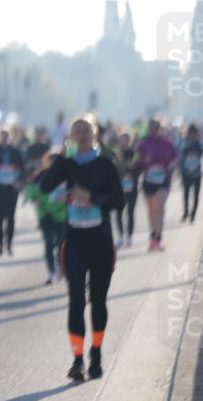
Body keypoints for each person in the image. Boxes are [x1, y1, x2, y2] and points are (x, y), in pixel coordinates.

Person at [40, 117, 123, 381]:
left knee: (98, 301)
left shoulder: (106, 165)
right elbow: (44, 186)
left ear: (95, 134)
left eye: (87, 130)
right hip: (74, 242)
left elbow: (119, 201)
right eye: (77, 131)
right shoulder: (67, 165)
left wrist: (92, 199)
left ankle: (96, 354)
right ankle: (77, 360)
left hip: (100, 241)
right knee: (76, 300)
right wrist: (62, 158)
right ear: (71, 137)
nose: (83, 135)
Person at [24, 151, 67, 284]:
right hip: (45, 215)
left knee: (61, 245)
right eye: (50, 162)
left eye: (55, 162)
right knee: (48, 244)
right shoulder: (39, 177)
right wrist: (33, 199)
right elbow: (30, 190)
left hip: (62, 215)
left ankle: (61, 268)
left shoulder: (66, 177)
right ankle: (50, 272)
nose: (53, 165)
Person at [136, 117, 177, 251]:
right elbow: (138, 162)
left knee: (159, 207)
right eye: (152, 127)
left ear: (160, 128)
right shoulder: (143, 144)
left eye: (157, 127)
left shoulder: (168, 143)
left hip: (163, 179)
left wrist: (172, 164)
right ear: (148, 129)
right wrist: (144, 161)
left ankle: (158, 238)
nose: (154, 130)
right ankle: (153, 234)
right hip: (148, 180)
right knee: (152, 210)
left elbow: (175, 157)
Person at [0, 128, 25, 256]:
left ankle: (9, 245)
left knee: (10, 217)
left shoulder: (15, 152)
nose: (4, 138)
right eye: (2, 136)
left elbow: (22, 170)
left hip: (11, 189)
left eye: (6, 136)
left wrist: (19, 182)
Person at [117, 131, 139, 247]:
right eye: (122, 139)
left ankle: (129, 236)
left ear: (129, 140)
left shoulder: (134, 152)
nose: (124, 142)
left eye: (126, 139)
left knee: (130, 212)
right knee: (119, 213)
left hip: (132, 187)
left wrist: (133, 167)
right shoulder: (117, 154)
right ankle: (120, 236)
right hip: (119, 188)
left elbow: (139, 167)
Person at [180, 124, 203, 224]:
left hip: (197, 173)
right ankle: (186, 211)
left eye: (195, 134)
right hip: (186, 173)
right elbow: (181, 158)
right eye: (191, 134)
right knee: (186, 194)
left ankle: (193, 215)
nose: (193, 136)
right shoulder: (185, 144)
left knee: (196, 195)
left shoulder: (200, 144)